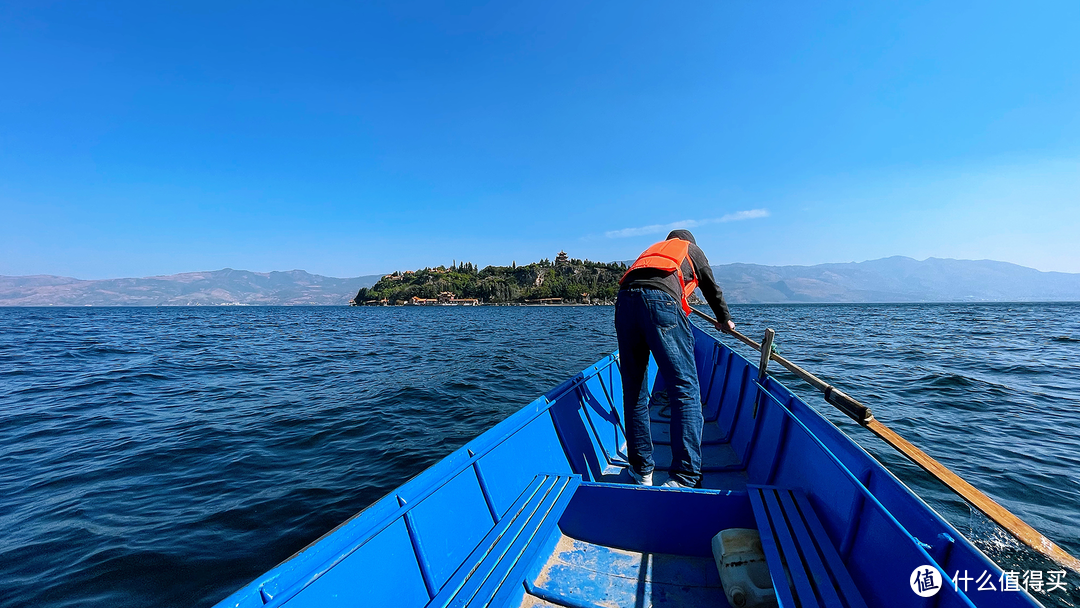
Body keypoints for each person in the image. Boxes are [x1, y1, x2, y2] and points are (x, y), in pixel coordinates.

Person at [615, 229, 734, 488]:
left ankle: (641, 470)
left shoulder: (652, 250)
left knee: (634, 391)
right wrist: (723, 319)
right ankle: (685, 476)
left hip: (624, 301)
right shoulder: (690, 249)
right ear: (688, 241)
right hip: (661, 302)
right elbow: (711, 287)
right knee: (685, 391)